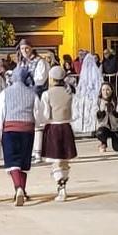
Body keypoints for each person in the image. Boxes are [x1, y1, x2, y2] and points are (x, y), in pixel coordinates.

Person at [0, 61, 38, 205]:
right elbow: (38, 113)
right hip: (28, 130)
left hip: (10, 130)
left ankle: (18, 188)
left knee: (13, 161)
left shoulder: (5, 93)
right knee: (23, 161)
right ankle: (22, 189)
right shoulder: (32, 94)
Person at [36, 65, 77, 200]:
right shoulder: (69, 93)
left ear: (52, 78)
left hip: (53, 128)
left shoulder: (47, 94)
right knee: (64, 160)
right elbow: (74, 112)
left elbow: (46, 115)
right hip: (66, 126)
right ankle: (63, 185)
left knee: (56, 160)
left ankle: (60, 187)